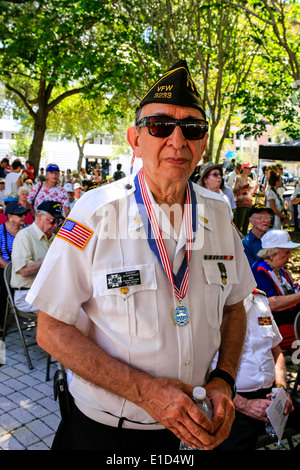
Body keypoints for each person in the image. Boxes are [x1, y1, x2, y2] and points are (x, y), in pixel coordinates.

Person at [26, 59, 256, 451]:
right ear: (135, 139)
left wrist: (225, 379)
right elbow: (51, 330)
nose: (178, 140)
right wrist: (145, 391)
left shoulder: (218, 213)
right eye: (161, 126)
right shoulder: (95, 213)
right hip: (108, 433)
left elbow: (235, 307)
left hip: (192, 429)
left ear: (202, 143)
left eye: (193, 128)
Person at [216, 288, 300, 451]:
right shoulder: (209, 305)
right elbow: (202, 371)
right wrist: (245, 405)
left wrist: (281, 389)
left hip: (271, 396)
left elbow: (276, 350)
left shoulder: (259, 300)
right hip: (231, 401)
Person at [10, 201, 64, 313]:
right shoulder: (24, 236)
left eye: (58, 221)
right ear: (39, 217)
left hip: (48, 291)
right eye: (52, 221)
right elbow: (24, 270)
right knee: (64, 308)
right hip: (27, 294)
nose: (55, 225)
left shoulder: (53, 238)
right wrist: (51, 260)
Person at [252, 229, 300, 352]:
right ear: (270, 253)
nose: (290, 256)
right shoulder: (259, 271)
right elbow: (272, 303)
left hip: (291, 320)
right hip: (274, 326)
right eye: (286, 252)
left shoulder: (281, 271)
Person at [0, 202, 29, 332]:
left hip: (26, 267)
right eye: (19, 214)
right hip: (6, 267)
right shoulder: (0, 231)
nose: (23, 216)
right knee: (2, 285)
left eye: (24, 213)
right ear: (10, 216)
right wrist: (12, 269)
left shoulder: (27, 230)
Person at [233, 162, 258, 236]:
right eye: (248, 168)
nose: (250, 170)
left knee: (245, 226)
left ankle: (244, 242)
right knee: (238, 225)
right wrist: (246, 189)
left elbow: (251, 194)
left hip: (248, 204)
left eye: (251, 169)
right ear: (243, 168)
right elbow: (235, 191)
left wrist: (255, 189)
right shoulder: (238, 178)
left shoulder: (249, 179)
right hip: (241, 204)